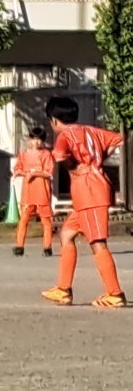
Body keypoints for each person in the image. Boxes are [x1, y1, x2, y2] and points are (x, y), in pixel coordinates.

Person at [41, 97, 126, 308]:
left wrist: (74, 166)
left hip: (90, 190)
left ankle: (115, 293)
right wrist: (100, 158)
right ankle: (64, 289)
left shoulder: (64, 135)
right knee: (66, 234)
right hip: (90, 190)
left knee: (97, 241)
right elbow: (118, 139)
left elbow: (60, 156)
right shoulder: (91, 130)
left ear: (54, 120)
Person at [12, 125, 55, 257]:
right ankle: (19, 246)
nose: (36, 142)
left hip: (42, 190)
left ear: (43, 141)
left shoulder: (46, 154)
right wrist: (22, 173)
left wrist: (35, 173)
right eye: (34, 139)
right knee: (24, 219)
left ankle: (47, 247)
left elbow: (49, 172)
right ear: (29, 140)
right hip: (28, 190)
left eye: (39, 140)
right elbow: (17, 168)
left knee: (45, 220)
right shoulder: (24, 154)